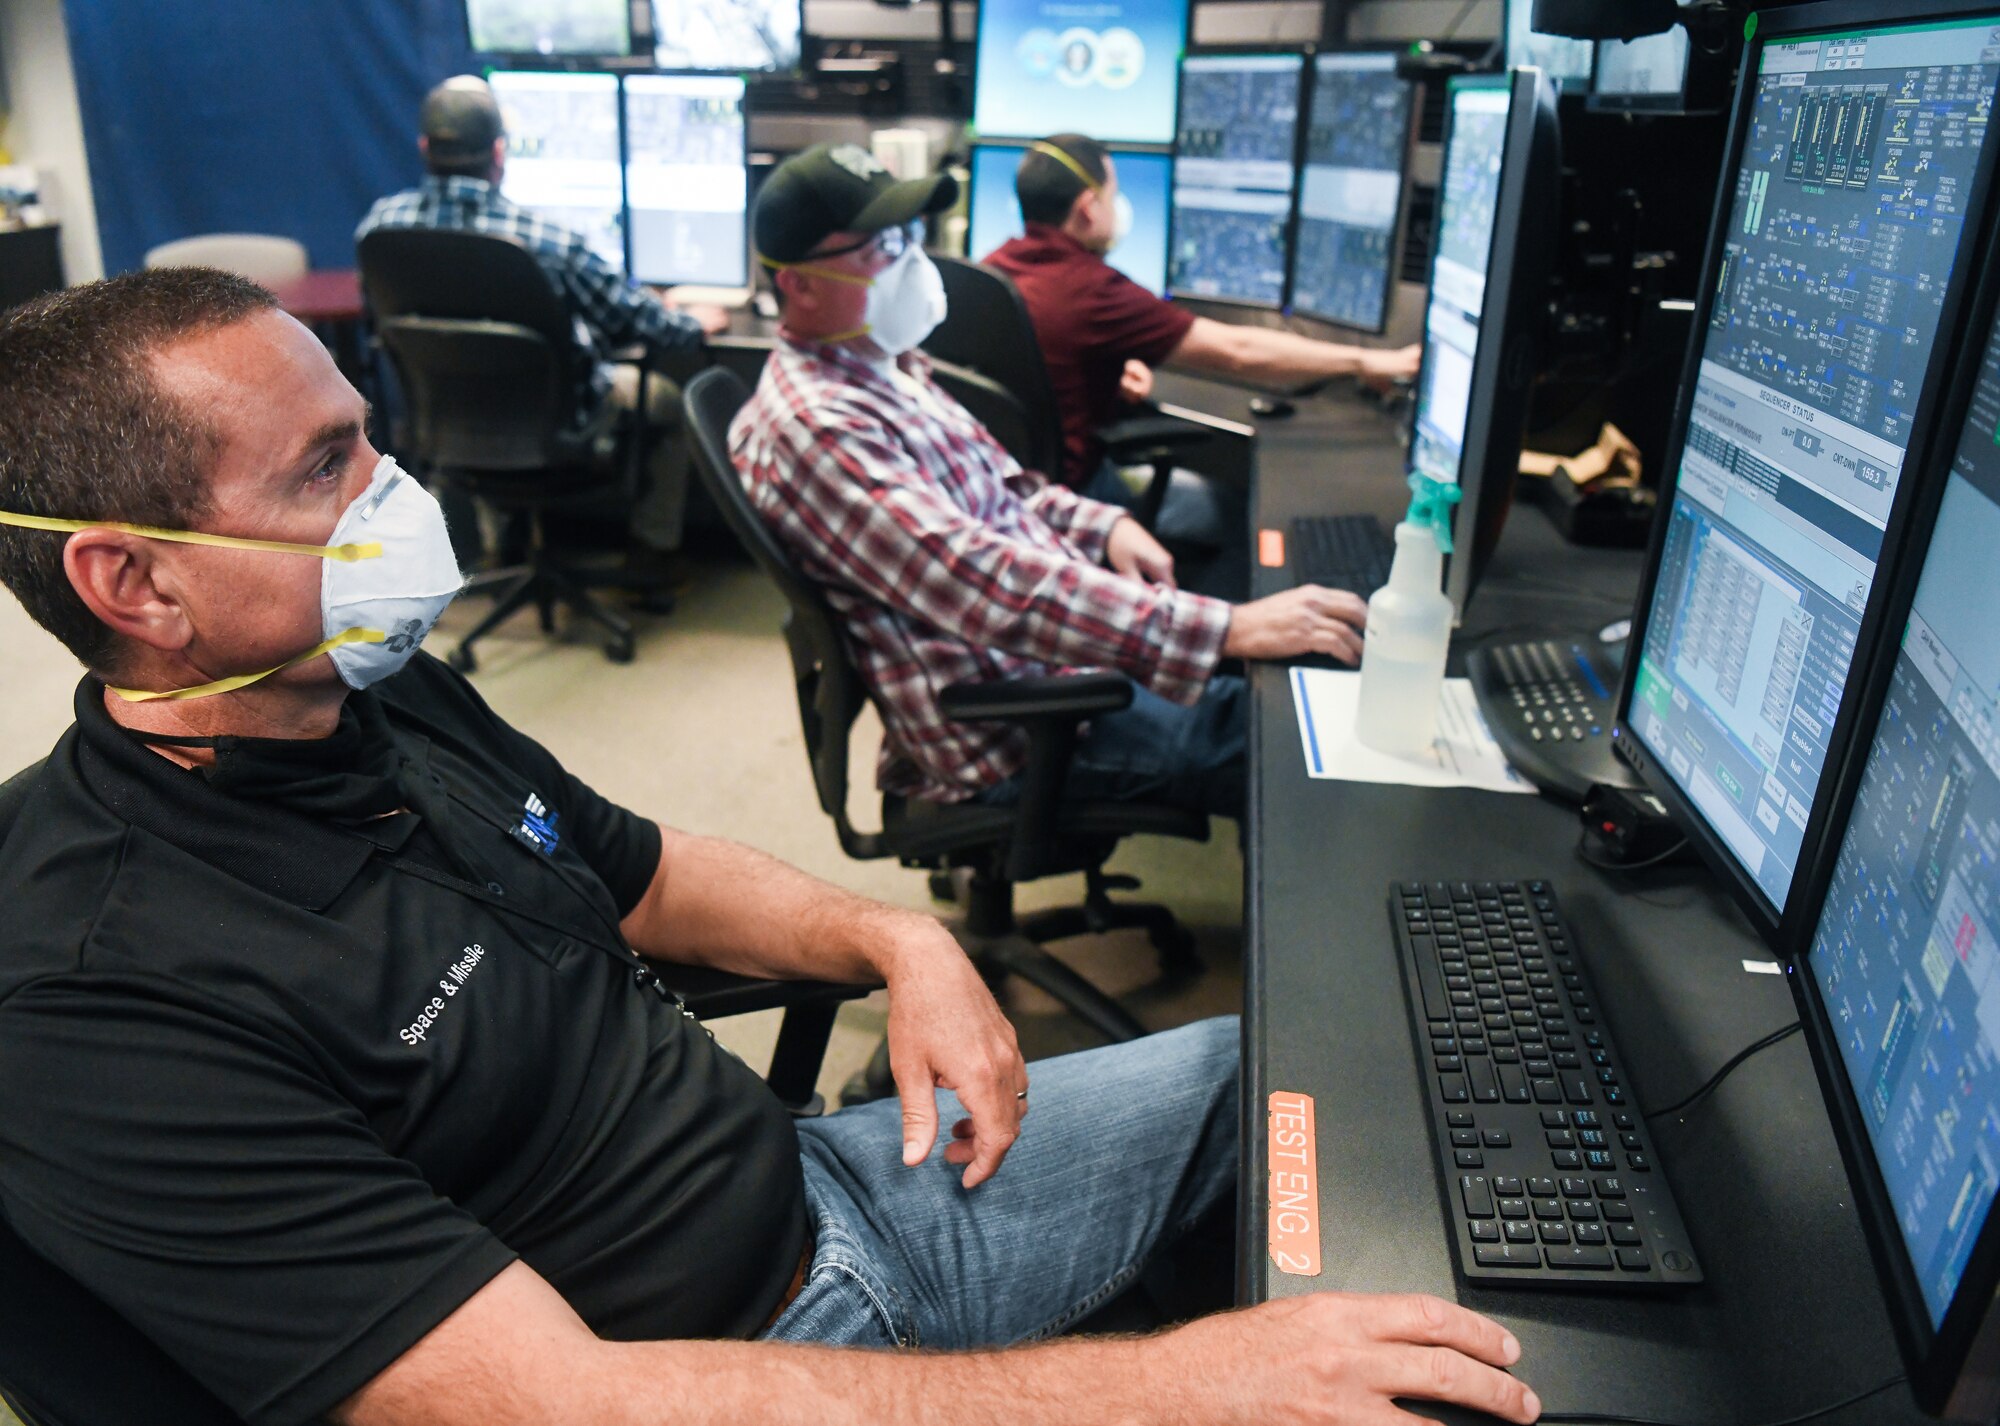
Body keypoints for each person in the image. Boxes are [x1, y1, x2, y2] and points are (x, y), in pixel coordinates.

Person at [0, 268, 1546, 1426]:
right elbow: (566, 1403)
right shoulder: (98, 1005)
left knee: (1282, 1088)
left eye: (368, 437)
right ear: (136, 583)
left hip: (836, 1181)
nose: (397, 492)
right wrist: (1179, 1384)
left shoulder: (376, 696)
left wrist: (904, 942)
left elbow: (651, 871)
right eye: (325, 466)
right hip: (733, 1365)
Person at [730, 144, 1370, 821]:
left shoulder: (880, 364)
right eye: (880, 247)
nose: (911, 260)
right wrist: (1226, 629)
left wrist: (1106, 524)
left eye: (912, 236)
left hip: (1056, 659)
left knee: (1295, 682)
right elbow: (982, 583)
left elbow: (1008, 485)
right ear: (797, 283)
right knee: (1300, 744)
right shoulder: (818, 428)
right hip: (1023, 728)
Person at [356, 75, 729, 589]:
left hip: (447, 427)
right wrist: (691, 322)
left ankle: (498, 551)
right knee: (668, 403)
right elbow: (640, 324)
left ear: (425, 148)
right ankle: (651, 557)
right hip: (561, 430)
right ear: (499, 153)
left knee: (476, 384)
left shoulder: (379, 229)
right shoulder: (548, 240)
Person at [985, 134, 1424, 492]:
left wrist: (1105, 369)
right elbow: (1239, 350)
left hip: (1011, 486)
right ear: (1087, 208)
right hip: (1077, 496)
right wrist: (1364, 361)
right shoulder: (1094, 291)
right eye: (1111, 195)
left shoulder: (995, 269)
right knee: (1214, 503)